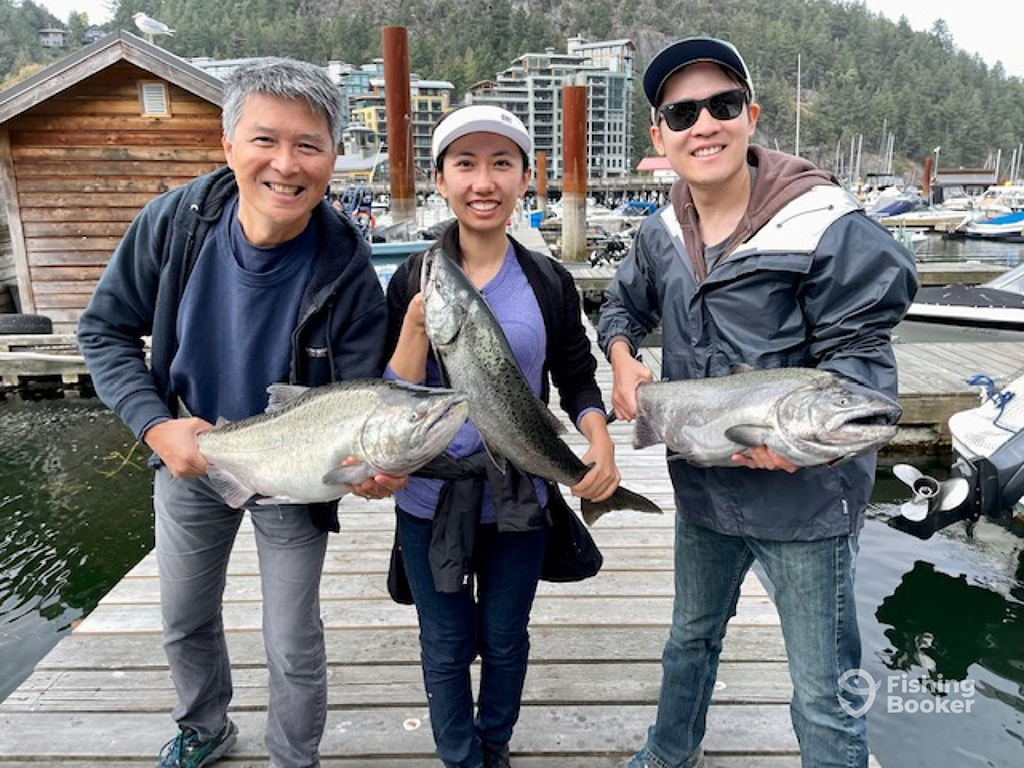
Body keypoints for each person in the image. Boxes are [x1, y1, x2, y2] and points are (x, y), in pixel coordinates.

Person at [597, 37, 917, 768]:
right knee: (689, 641)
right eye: (682, 113)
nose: (703, 123)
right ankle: (666, 754)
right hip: (705, 489)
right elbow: (619, 310)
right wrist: (621, 360)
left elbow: (862, 369)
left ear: (751, 116)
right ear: (661, 137)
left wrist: (809, 442)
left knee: (822, 691)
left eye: (723, 105)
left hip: (804, 502)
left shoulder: (828, 225)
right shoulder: (658, 232)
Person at [77, 58, 401, 768]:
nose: (285, 165)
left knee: (291, 635)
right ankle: (204, 726)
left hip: (294, 468)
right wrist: (156, 425)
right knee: (184, 617)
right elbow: (102, 331)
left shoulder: (348, 265)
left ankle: (294, 757)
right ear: (228, 146)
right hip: (191, 448)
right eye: (265, 140)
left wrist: (368, 469)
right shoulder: (174, 223)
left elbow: (356, 397)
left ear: (333, 157)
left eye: (308, 145)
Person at [384, 105, 621, 768]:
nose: (482, 181)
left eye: (500, 164)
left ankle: (495, 745)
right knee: (445, 642)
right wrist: (410, 334)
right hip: (429, 501)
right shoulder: (413, 277)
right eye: (465, 164)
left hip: (522, 497)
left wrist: (596, 444)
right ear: (440, 180)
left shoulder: (547, 280)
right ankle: (460, 758)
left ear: (524, 179)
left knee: (507, 638)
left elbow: (576, 378)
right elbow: (387, 398)